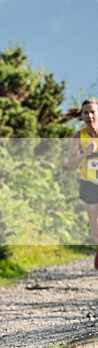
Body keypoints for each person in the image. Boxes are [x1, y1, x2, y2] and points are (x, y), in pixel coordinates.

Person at [66, 97, 98, 269]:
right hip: (89, 185)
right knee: (95, 229)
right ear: (82, 115)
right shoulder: (79, 136)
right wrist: (85, 153)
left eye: (93, 112)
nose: (90, 116)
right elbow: (69, 164)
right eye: (86, 112)